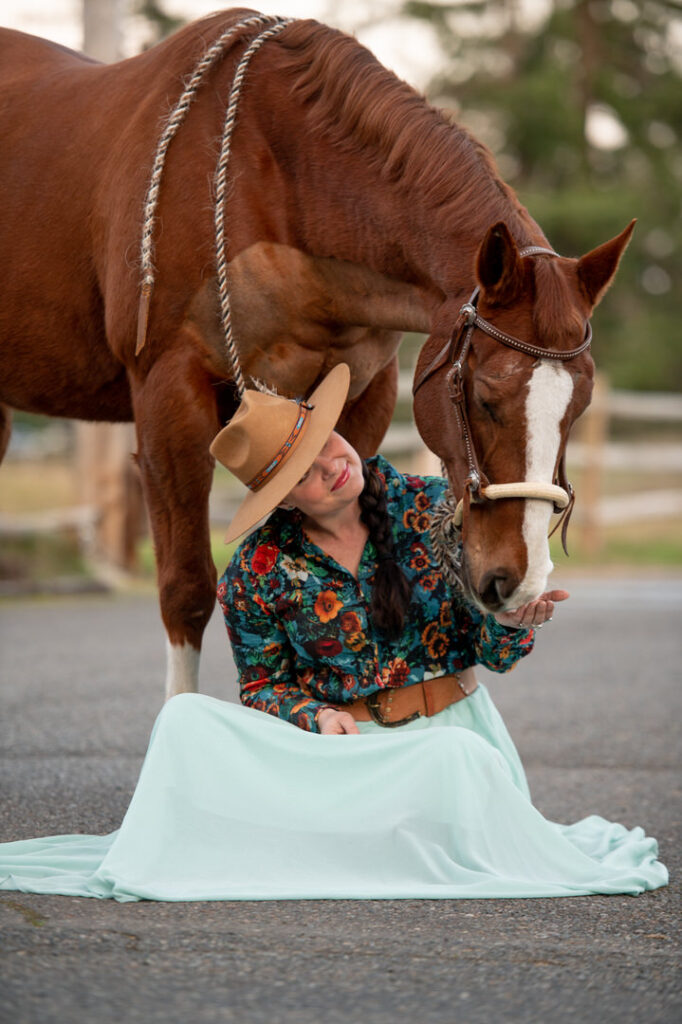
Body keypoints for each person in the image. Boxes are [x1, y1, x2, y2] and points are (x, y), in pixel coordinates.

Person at [0, 364, 668, 901]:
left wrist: (509, 617)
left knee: (453, 763)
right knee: (182, 723)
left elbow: (488, 653)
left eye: (330, 444)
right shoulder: (256, 570)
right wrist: (310, 713)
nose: (333, 465)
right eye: (308, 473)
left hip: (447, 742)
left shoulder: (431, 507)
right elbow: (261, 685)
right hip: (341, 760)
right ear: (282, 498)